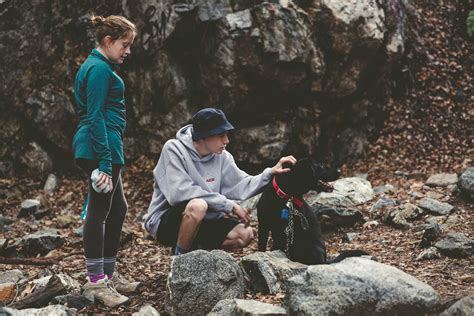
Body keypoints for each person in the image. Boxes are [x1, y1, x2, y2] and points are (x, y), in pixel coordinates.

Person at [144, 108, 296, 255]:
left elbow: (242, 184)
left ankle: (196, 253)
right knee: (198, 206)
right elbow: (179, 193)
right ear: (204, 136)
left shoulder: (222, 156)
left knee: (244, 234)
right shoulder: (174, 149)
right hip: (165, 221)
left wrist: (271, 173)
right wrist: (229, 205)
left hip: (204, 222)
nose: (226, 140)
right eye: (221, 135)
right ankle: (180, 261)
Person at [72, 14, 140, 307]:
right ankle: (96, 281)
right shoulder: (98, 70)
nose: (128, 51)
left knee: (118, 207)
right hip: (101, 149)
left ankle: (108, 273)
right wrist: (103, 161)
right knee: (99, 211)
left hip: (107, 148)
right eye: (124, 44)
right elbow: (95, 115)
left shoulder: (100, 66)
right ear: (108, 41)